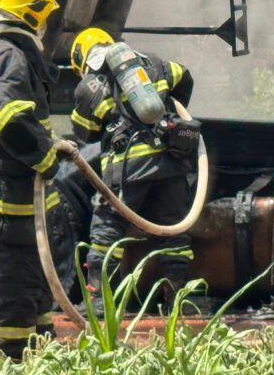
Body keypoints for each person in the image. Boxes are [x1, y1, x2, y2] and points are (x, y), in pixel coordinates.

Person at [0, 0, 76, 361]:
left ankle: (40, 341)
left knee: (31, 267)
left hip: (4, 184)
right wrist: (45, 157)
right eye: (44, 15)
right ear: (31, 14)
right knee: (15, 270)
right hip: (10, 188)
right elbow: (7, 117)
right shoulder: (12, 55)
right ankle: (11, 352)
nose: (46, 23)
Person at [68, 28, 195, 307]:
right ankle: (180, 301)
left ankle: (101, 303)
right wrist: (172, 110)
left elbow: (85, 133)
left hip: (128, 170)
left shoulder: (90, 86)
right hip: (170, 162)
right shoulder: (153, 63)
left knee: (107, 230)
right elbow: (184, 76)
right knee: (173, 232)